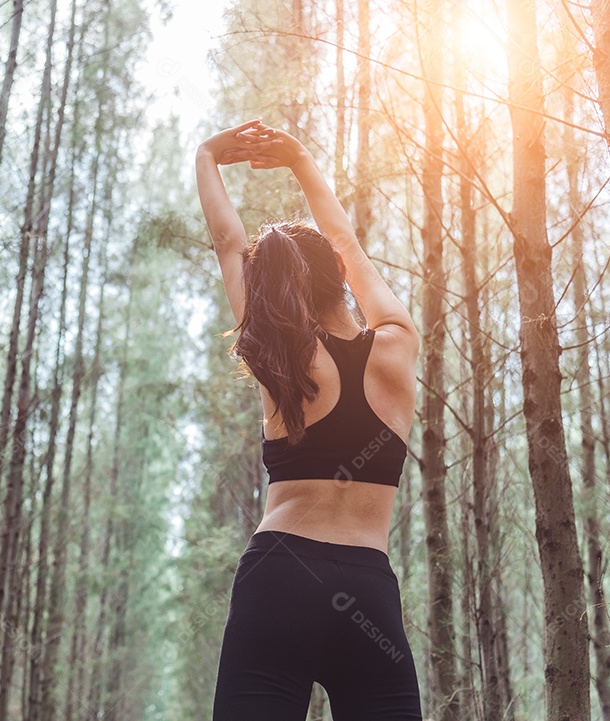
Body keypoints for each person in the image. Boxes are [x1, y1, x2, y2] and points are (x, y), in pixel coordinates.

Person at [196, 120, 423, 720]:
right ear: (338, 277)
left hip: (280, 580)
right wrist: (299, 159)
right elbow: (346, 244)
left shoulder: (282, 347)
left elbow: (226, 241)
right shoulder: (397, 345)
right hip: (368, 592)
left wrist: (207, 156)